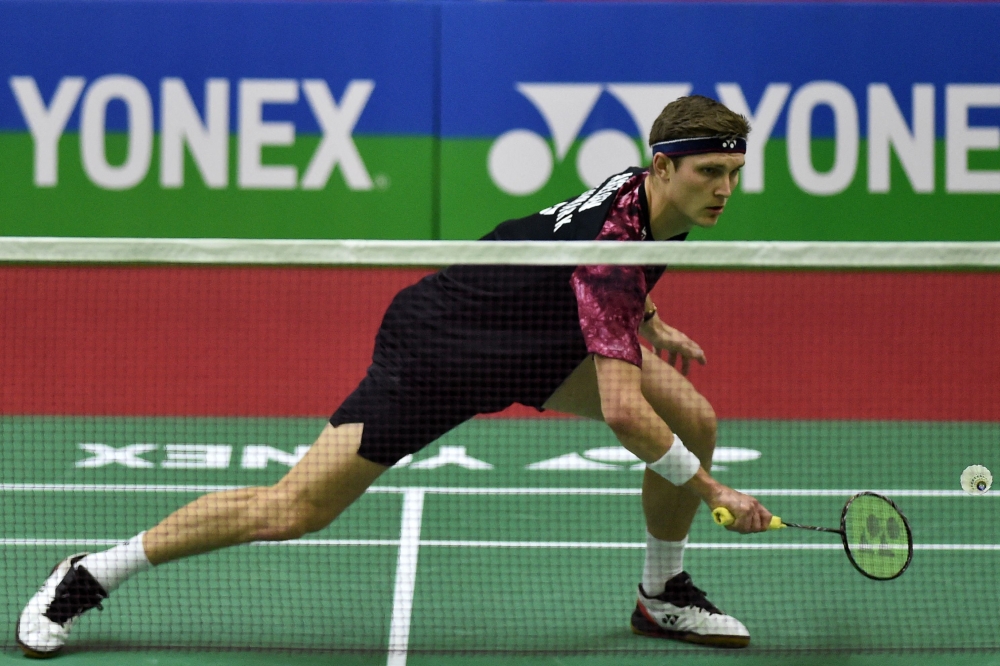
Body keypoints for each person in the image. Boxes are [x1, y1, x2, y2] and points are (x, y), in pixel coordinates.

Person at [17, 95, 774, 657]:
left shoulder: (648, 204)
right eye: (711, 172)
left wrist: (644, 317)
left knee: (693, 419)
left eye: (736, 174)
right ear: (664, 166)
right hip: (441, 351)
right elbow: (623, 411)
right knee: (292, 511)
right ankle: (90, 573)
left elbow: (579, 265)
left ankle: (660, 594)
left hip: (541, 342)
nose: (724, 191)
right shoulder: (617, 243)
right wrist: (714, 492)